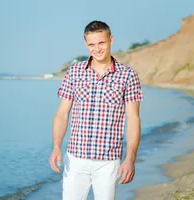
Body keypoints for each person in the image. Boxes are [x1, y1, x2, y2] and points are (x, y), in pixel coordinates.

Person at [49, 20, 144, 200]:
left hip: (108, 161)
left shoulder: (128, 75)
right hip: (75, 159)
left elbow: (133, 119)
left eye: (101, 43)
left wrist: (130, 158)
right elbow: (62, 113)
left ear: (111, 40)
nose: (97, 49)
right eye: (91, 44)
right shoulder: (74, 72)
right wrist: (55, 146)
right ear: (86, 44)